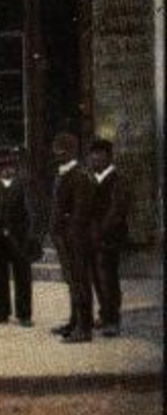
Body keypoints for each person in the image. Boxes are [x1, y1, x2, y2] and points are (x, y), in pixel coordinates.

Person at [48, 132, 96, 343]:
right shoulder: (63, 174)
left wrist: (68, 233)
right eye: (57, 149)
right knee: (72, 281)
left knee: (80, 281)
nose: (57, 153)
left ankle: (84, 328)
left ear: (72, 151)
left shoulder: (79, 176)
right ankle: (74, 321)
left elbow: (81, 212)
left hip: (75, 239)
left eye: (62, 149)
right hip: (64, 238)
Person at [0, 147, 34, 328]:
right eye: (2, 167)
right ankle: (1, 311)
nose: (6, 170)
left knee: (22, 276)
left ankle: (24, 314)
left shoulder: (23, 185)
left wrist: (28, 236)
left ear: (15, 166)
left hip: (19, 238)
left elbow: (31, 213)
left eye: (9, 166)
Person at [88, 139, 128, 338]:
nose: (95, 157)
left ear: (108, 156)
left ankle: (113, 320)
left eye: (99, 154)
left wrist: (102, 230)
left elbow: (116, 210)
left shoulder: (115, 179)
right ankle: (104, 314)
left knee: (109, 278)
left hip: (110, 236)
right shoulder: (91, 178)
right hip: (94, 236)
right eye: (93, 154)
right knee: (97, 276)